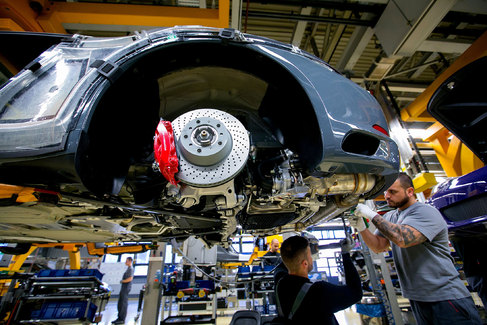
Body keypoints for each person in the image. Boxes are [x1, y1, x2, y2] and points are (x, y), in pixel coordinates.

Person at [350, 173, 482, 325]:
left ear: (410, 191)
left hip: (446, 298)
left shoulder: (426, 212)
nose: (387, 196)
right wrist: (361, 227)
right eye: (386, 192)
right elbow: (378, 246)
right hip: (418, 299)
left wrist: (371, 214)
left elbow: (403, 239)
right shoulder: (391, 216)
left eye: (393, 192)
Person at [274, 235, 362, 324]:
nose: (312, 258)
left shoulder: (280, 283)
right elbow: (356, 292)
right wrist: (345, 254)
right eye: (310, 256)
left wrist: (303, 249)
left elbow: (286, 260)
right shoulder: (319, 292)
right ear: (305, 264)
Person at [112, 257, 134, 324]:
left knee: (123, 303)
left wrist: (122, 281)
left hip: (126, 287)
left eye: (127, 261)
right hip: (124, 286)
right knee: (120, 302)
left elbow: (130, 278)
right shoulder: (127, 269)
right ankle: (119, 317)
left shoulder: (130, 269)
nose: (125, 262)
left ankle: (122, 319)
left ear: (130, 261)